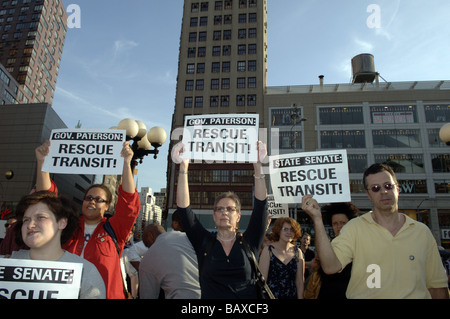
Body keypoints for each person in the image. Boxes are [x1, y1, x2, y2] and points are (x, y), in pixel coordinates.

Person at [302, 163, 449, 299]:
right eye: (376, 188)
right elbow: (330, 266)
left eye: (388, 186)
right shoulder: (354, 228)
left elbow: (437, 287)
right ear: (368, 194)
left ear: (397, 189)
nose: (384, 191)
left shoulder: (422, 232)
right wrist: (317, 219)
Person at [34, 140, 141, 299]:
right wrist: (42, 161)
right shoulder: (66, 226)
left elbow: (129, 204)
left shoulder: (114, 229)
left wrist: (126, 164)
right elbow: (46, 202)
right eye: (88, 198)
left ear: (107, 207)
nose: (92, 201)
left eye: (99, 200)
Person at [175, 141, 268, 299]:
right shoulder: (204, 242)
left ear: (238, 216)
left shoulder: (250, 242)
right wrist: (183, 167)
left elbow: (261, 206)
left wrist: (258, 167)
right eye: (219, 209)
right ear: (214, 215)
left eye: (230, 209)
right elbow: (184, 211)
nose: (224, 212)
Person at [9, 191, 105, 299]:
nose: (30, 225)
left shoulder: (86, 273)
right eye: (26, 220)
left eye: (40, 217)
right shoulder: (6, 265)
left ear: (62, 223)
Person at [139, 224, 201, 299]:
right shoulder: (186, 236)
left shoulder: (148, 258)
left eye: (147, 244)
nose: (148, 248)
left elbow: (148, 295)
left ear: (150, 236)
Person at [314, 202, 359, 299]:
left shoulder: (359, 246)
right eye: (335, 223)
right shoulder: (326, 246)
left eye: (343, 223)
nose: (339, 226)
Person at [259, 217, 304, 299]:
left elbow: (300, 282)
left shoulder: (298, 252)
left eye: (292, 230)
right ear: (279, 231)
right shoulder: (268, 250)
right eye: (285, 229)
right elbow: (262, 281)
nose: (289, 232)